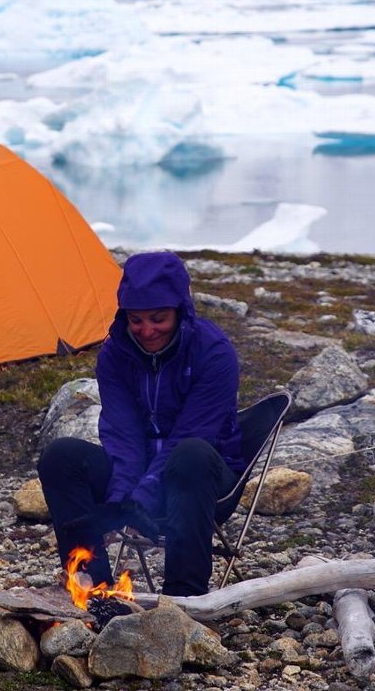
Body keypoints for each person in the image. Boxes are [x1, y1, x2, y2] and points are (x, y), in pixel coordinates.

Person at [37, 250, 245, 597]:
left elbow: (190, 435)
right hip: (136, 476)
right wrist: (122, 500)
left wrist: (142, 497)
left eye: (158, 318)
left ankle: (183, 600)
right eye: (136, 320)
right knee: (61, 457)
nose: (147, 331)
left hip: (202, 481)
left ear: (180, 310)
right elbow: (124, 434)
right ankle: (93, 590)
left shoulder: (214, 353)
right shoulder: (115, 355)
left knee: (190, 454)